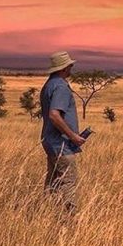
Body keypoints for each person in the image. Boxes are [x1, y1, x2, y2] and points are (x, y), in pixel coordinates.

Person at [40, 51, 85, 213]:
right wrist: (73, 136)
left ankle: (46, 214)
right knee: (69, 182)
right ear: (63, 68)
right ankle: (71, 219)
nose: (71, 67)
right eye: (69, 65)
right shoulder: (61, 87)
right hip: (62, 144)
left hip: (50, 141)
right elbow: (54, 115)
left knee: (53, 183)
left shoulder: (49, 85)